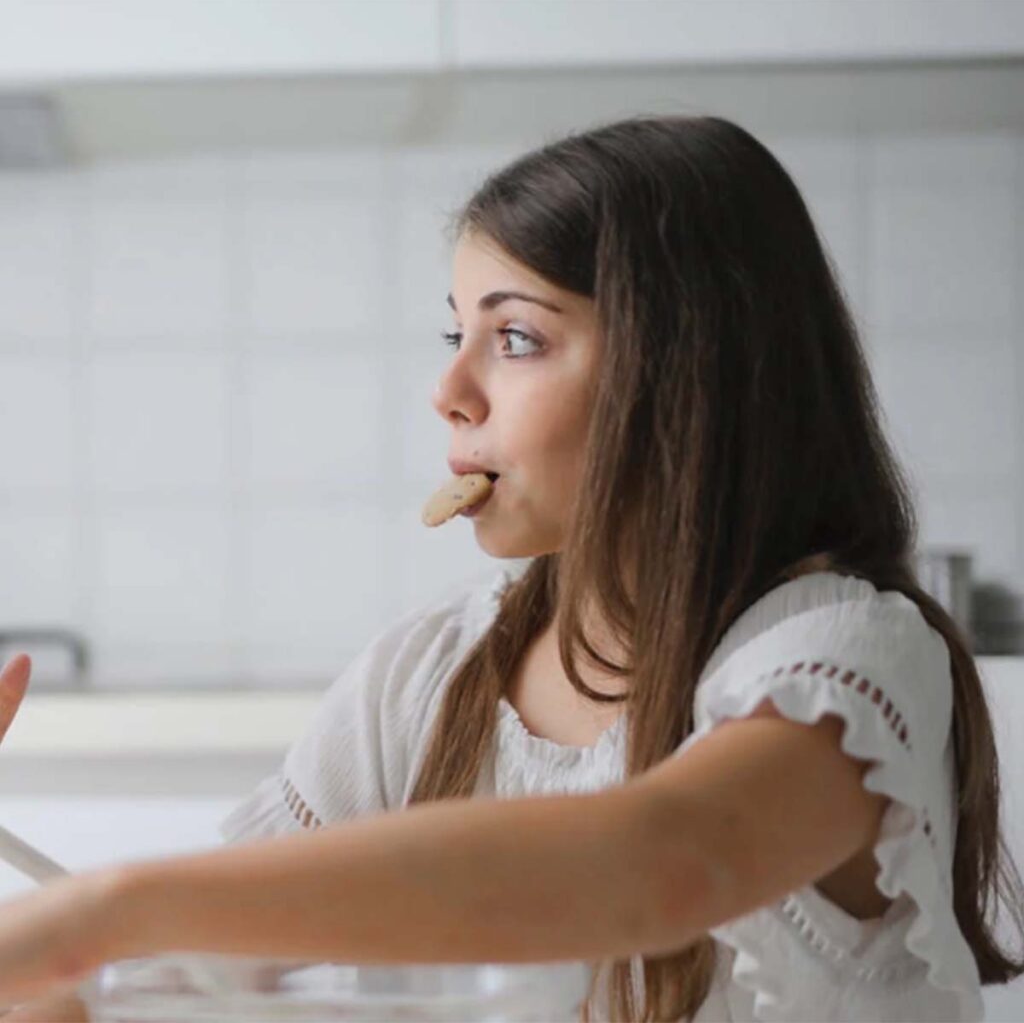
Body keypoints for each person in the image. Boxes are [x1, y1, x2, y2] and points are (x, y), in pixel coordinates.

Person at [0, 114, 1021, 1023]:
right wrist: (75, 958)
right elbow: (184, 971)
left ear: (683, 376)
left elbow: (662, 863)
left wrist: (111, 905)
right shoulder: (426, 672)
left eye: (517, 337)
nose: (448, 388)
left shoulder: (843, 657)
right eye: (458, 333)